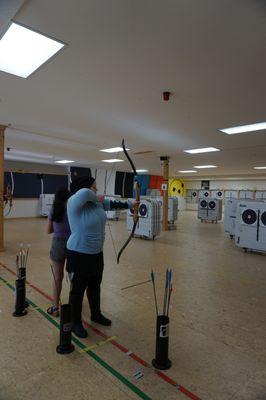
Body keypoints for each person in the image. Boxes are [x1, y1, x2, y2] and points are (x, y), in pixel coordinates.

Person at [67, 176, 134, 338]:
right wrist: (94, 194)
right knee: (77, 290)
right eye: (94, 187)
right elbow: (84, 193)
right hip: (78, 253)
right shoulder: (74, 202)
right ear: (86, 187)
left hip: (96, 253)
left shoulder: (96, 203)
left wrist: (130, 205)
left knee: (95, 285)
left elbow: (111, 204)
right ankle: (75, 322)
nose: (96, 189)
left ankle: (95, 314)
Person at [47, 187, 71, 317]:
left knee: (57, 277)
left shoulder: (54, 210)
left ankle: (55, 308)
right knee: (73, 276)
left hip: (58, 243)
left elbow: (48, 230)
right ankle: (73, 306)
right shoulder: (72, 209)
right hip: (73, 243)